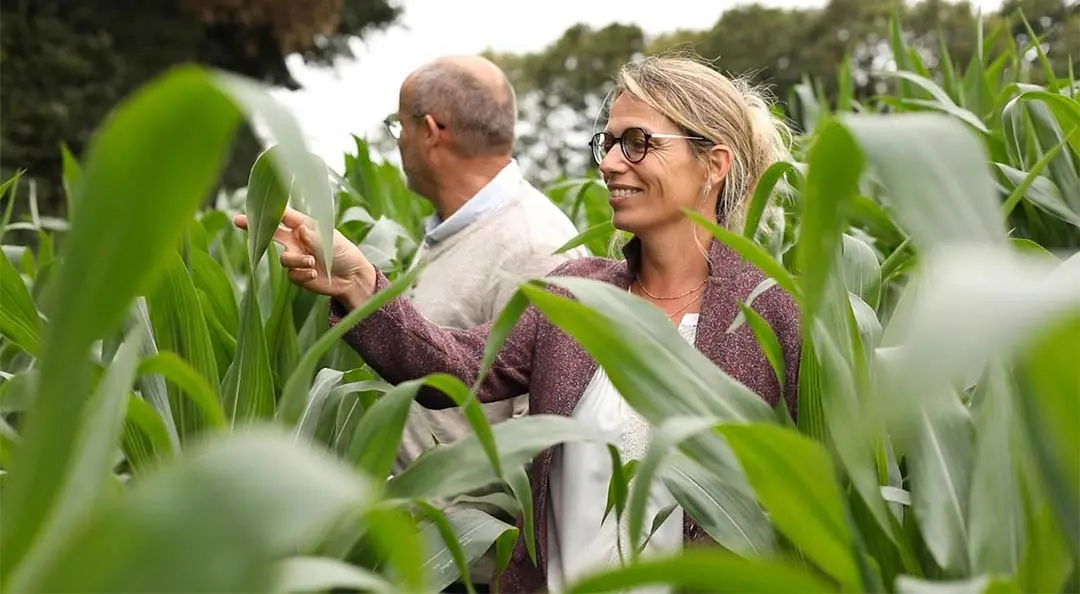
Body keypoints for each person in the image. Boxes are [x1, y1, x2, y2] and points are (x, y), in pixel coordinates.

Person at [236, 55, 802, 594]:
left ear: (714, 164)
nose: (608, 163)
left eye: (638, 143)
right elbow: (452, 369)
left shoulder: (773, 316)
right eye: (607, 143)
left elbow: (823, 500)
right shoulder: (577, 294)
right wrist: (360, 280)